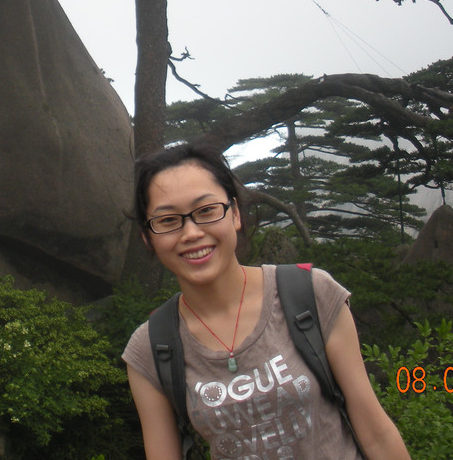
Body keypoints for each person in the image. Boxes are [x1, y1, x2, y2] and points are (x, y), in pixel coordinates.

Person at [122, 142, 411, 460]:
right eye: (167, 221)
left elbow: (377, 435)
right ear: (147, 237)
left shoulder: (311, 295)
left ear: (234, 214)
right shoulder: (151, 347)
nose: (190, 233)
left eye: (206, 211)